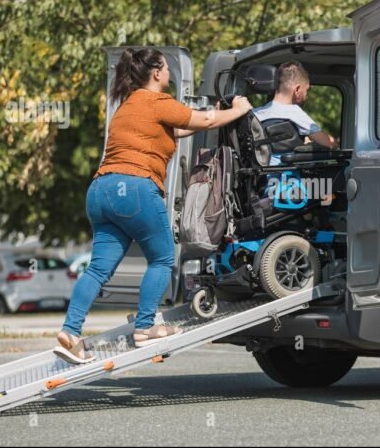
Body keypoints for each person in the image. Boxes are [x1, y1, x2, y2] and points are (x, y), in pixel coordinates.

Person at [54, 47, 252, 364]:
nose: (170, 74)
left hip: (101, 191)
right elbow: (204, 119)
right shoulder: (158, 101)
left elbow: (184, 127)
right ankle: (145, 327)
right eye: (166, 69)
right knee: (161, 258)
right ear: (157, 72)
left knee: (98, 269)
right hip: (136, 188)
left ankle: (70, 332)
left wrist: (215, 115)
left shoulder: (127, 106)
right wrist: (238, 110)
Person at [253, 61, 338, 165]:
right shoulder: (295, 113)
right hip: (289, 178)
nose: (307, 96)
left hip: (260, 176)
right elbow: (330, 144)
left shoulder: (255, 114)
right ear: (297, 90)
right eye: (307, 90)